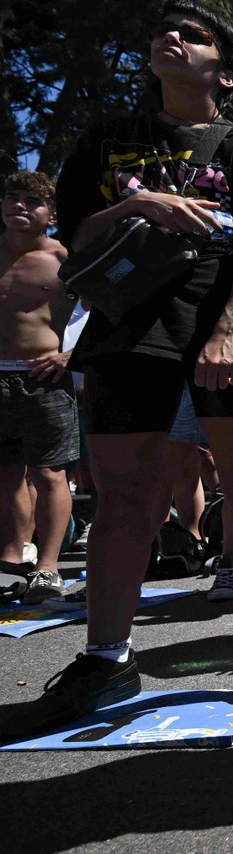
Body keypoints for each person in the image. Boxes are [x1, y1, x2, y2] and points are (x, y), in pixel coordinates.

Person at [3, 0, 233, 742]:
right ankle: (106, 656)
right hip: (129, 334)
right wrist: (140, 207)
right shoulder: (106, 140)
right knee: (123, 498)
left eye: (194, 35)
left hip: (230, 330)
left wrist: (232, 330)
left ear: (227, 73)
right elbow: (72, 239)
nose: (170, 38)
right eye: (163, 30)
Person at [0, 171, 75, 603]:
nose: (21, 206)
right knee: (6, 474)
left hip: (43, 379)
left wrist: (71, 356)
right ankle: (12, 559)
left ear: (52, 213)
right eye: (13, 197)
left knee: (49, 474)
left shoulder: (64, 258)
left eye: (33, 201)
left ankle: (48, 566)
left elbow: (105, 309)